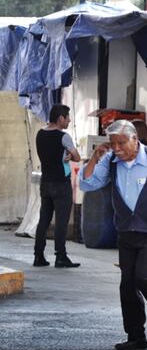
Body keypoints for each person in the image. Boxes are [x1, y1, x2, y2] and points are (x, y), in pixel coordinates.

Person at [80, 120, 147, 350]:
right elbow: (87, 184)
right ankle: (136, 335)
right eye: (113, 143)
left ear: (134, 139)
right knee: (127, 285)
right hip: (126, 231)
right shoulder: (110, 161)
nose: (117, 148)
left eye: (121, 143)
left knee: (145, 278)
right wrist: (95, 157)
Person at [33, 104, 82, 268]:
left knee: (44, 220)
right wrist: (69, 155)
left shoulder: (39, 134)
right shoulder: (64, 136)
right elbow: (77, 157)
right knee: (61, 221)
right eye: (67, 117)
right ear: (60, 118)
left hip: (45, 182)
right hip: (61, 184)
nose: (69, 121)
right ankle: (60, 257)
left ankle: (38, 256)